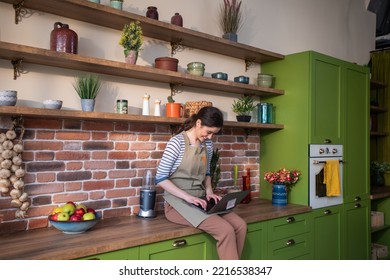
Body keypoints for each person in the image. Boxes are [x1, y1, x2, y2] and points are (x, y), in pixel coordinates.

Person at [155, 106, 247, 260]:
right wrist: (188, 197)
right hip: (177, 204)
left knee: (240, 226)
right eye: (209, 132)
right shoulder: (176, 143)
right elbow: (161, 178)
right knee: (225, 230)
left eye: (214, 133)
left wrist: (210, 192)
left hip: (201, 200)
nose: (210, 137)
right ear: (198, 123)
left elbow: (207, 172)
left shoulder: (207, 145)